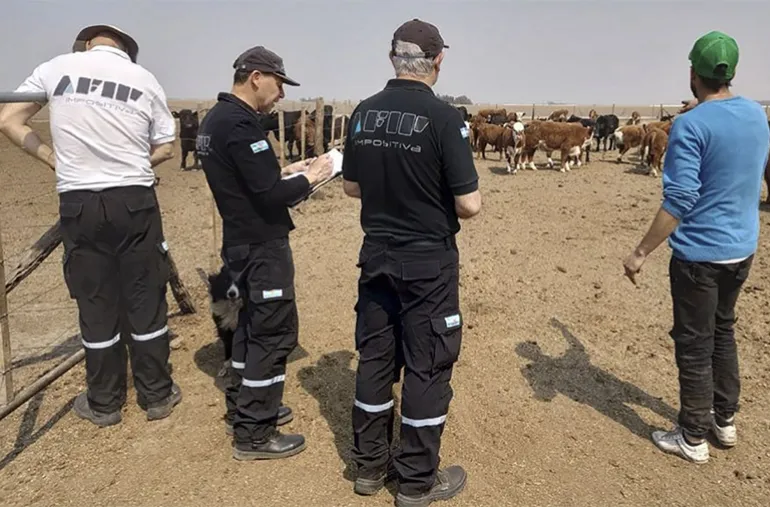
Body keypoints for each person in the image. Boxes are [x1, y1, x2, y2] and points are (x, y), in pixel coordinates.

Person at [0, 24, 181, 427]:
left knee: (95, 301)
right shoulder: (143, 78)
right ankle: (156, 395)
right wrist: (129, 163)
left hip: (79, 201)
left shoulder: (56, 68)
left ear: (86, 44)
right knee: (145, 296)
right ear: (127, 50)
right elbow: (167, 147)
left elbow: (9, 119)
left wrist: (54, 160)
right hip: (133, 200)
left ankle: (104, 403)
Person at [341, 19, 481, 507]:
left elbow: (351, 186)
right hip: (427, 263)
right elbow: (469, 204)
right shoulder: (443, 118)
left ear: (392, 58)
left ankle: (368, 466)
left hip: (376, 254)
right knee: (428, 365)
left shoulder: (363, 112)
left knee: (376, 357)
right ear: (438, 60)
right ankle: (417, 481)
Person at [622, 31, 770, 464]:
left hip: (700, 256)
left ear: (693, 72)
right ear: (731, 72)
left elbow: (680, 199)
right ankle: (724, 420)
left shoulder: (690, 126)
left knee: (694, 343)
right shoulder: (756, 114)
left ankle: (691, 436)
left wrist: (640, 252)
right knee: (723, 330)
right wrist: (702, 112)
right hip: (741, 249)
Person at [196, 45, 334, 461]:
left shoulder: (215, 120)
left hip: (238, 241)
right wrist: (313, 176)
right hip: (261, 247)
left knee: (247, 327)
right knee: (272, 334)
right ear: (256, 77)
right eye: (279, 83)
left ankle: (244, 406)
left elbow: (248, 182)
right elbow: (272, 196)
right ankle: (255, 432)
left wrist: (288, 171)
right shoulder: (241, 125)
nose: (282, 94)